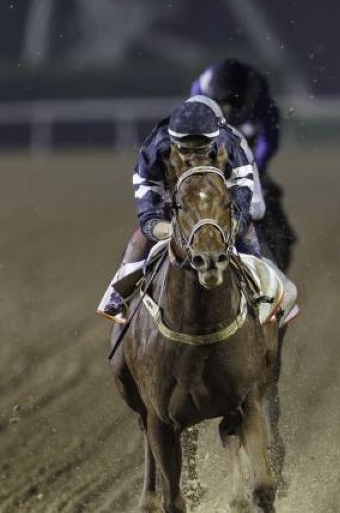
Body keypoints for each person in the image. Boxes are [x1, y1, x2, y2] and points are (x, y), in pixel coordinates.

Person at [95, 97, 259, 323]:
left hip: (214, 200)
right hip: (173, 203)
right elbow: (147, 202)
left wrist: (236, 221)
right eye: (185, 149)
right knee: (140, 238)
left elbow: (242, 185)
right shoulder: (155, 148)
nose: (193, 156)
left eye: (200, 147)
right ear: (172, 141)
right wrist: (157, 226)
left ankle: (260, 286)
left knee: (247, 231)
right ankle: (117, 294)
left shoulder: (228, 143)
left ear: (214, 139)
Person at [191, 59, 296, 266]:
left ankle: (279, 240)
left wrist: (256, 167)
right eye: (224, 104)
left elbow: (269, 137)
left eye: (233, 103)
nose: (229, 109)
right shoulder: (199, 93)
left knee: (267, 193)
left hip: (250, 148)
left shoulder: (258, 93)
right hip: (212, 148)